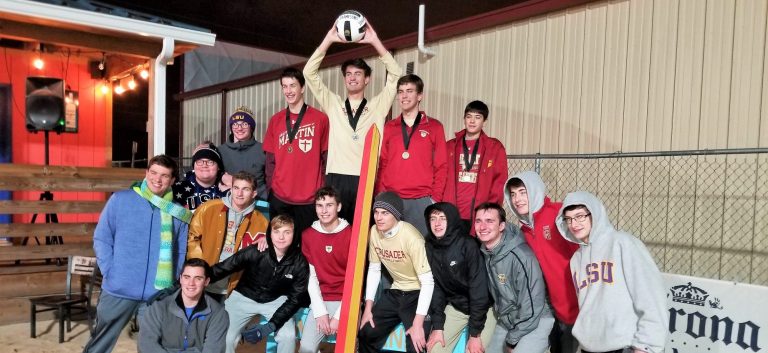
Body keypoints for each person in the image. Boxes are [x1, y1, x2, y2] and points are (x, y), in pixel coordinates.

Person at [85, 155, 192, 353]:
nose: (157, 179)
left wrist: (173, 279)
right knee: (100, 343)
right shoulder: (120, 200)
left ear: (172, 180)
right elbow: (102, 238)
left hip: (156, 293)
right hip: (119, 289)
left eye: (164, 175)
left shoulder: (178, 213)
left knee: (153, 346)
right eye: (153, 173)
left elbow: (180, 249)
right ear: (146, 173)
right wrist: (111, 271)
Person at [303, 21, 403, 223]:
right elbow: (308, 73)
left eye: (358, 74)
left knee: (361, 231)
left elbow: (396, 75)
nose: (352, 78)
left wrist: (375, 41)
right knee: (334, 227)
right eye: (348, 74)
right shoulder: (333, 103)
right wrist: (329, 40)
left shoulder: (378, 106)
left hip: (364, 178)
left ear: (367, 79)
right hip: (336, 176)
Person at [556, 191, 668, 353]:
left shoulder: (623, 243)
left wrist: (646, 346)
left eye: (580, 216)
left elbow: (651, 297)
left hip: (626, 346)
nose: (574, 224)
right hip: (590, 347)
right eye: (569, 219)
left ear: (594, 213)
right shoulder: (577, 259)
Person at [210, 214, 309, 353]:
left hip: (276, 299)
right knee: (227, 336)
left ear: (295, 235)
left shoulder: (300, 263)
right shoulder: (257, 250)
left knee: (288, 336)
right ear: (270, 233)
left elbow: (295, 299)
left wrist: (270, 326)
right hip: (243, 296)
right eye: (276, 232)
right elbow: (225, 267)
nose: (281, 237)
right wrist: (194, 280)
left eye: (287, 232)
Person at [504, 171, 579, 353]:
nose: (517, 199)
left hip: (579, 307)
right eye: (513, 194)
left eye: (523, 192)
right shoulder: (525, 230)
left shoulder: (558, 214)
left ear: (535, 190)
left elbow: (583, 253)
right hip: (555, 309)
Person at [358, 192, 434, 353]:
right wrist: (368, 308)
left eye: (385, 213)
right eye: (376, 212)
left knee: (417, 346)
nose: (379, 217)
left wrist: (418, 323)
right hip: (395, 291)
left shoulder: (412, 238)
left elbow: (428, 282)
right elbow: (374, 269)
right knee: (366, 333)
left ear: (396, 215)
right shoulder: (374, 232)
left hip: (418, 293)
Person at [474, 202, 553, 353]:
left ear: (502, 226)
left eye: (490, 221)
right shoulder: (487, 252)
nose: (483, 227)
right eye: (478, 221)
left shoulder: (520, 256)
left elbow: (531, 307)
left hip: (535, 319)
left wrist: (512, 340)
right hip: (508, 320)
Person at [376, 74, 447, 236]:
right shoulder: (390, 126)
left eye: (409, 91)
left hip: (421, 200)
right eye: (401, 92)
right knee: (392, 251)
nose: (404, 96)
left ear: (419, 95)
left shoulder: (434, 127)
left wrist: (434, 198)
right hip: (392, 199)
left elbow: (442, 166)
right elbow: (384, 163)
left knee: (421, 249)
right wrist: (381, 195)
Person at [264, 68, 329, 235]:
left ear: (302, 88)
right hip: (280, 197)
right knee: (280, 245)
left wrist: (322, 190)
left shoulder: (320, 119)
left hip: (309, 198)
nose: (288, 91)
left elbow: (326, 158)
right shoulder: (276, 120)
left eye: (292, 86)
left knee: (306, 247)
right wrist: (272, 189)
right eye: (284, 86)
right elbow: (270, 159)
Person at [186, 171, 269, 301]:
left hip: (234, 288)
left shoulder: (262, 222)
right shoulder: (208, 208)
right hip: (205, 282)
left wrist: (269, 239)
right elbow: (192, 238)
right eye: (236, 188)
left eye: (245, 189)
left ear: (254, 193)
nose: (239, 193)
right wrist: (199, 269)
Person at [423, 202, 495, 353]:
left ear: (451, 220)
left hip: (485, 308)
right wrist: (437, 326)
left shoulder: (468, 245)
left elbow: (479, 291)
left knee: (474, 351)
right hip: (458, 306)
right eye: (433, 218)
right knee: (434, 349)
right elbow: (436, 286)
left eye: (442, 218)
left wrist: (474, 334)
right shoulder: (430, 246)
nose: (437, 223)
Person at [298, 186, 351, 353]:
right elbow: (310, 277)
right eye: (320, 205)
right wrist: (320, 312)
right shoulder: (308, 235)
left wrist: (338, 317)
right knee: (306, 348)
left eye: (329, 205)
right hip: (321, 300)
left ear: (339, 207)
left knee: (345, 348)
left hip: (348, 302)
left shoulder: (352, 234)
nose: (324, 210)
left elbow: (355, 280)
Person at [139, 258, 229, 353]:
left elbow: (214, 349)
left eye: (198, 278)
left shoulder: (218, 314)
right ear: (181, 279)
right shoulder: (158, 307)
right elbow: (146, 344)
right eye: (187, 277)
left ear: (206, 281)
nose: (191, 283)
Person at [443, 100, 508, 231]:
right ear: (464, 119)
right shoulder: (450, 146)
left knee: (476, 250)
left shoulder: (494, 148)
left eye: (477, 117)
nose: (472, 121)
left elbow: (499, 182)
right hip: (451, 213)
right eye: (469, 116)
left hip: (479, 215)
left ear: (484, 122)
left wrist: (490, 212)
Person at [218, 106, 267, 198]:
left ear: (251, 127)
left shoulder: (263, 150)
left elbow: (270, 180)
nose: (239, 128)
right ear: (231, 127)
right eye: (235, 124)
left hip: (259, 202)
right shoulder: (220, 151)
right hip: (228, 202)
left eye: (244, 124)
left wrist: (233, 181)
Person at [173, 142, 228, 211]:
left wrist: (230, 189)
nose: (204, 165)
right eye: (199, 161)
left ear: (218, 167)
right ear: (193, 167)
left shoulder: (228, 190)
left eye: (210, 162)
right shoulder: (178, 188)